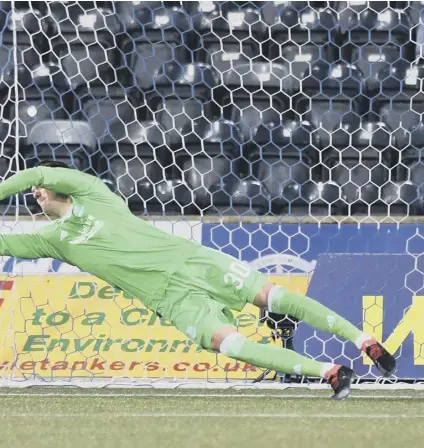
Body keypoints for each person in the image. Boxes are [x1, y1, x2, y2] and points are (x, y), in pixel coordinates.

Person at [0, 161, 396, 400]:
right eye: (33, 193)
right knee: (232, 344)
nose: (36, 192)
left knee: (272, 296)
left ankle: (365, 342)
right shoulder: (51, 240)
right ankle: (329, 371)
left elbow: (36, 172)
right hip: (171, 298)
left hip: (193, 261)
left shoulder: (94, 194)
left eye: (42, 190)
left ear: (62, 189)